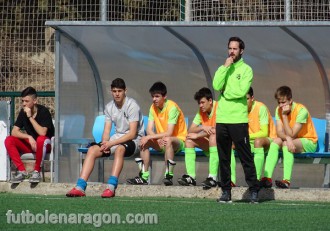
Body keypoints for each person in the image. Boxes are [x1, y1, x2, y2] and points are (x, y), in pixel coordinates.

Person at [66, 78, 145, 198]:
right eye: (114, 91)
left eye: (119, 91)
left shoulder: (132, 106)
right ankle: (80, 186)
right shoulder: (109, 107)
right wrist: (105, 143)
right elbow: (107, 130)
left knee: (120, 149)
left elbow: (132, 133)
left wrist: (111, 143)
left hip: (135, 140)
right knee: (92, 150)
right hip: (117, 139)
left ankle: (111, 187)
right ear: (111, 92)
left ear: (125, 91)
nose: (117, 94)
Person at [213, 36, 259, 203]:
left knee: (245, 157)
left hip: (238, 119)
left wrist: (226, 92)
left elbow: (241, 92)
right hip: (222, 119)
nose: (232, 52)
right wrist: (225, 68)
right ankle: (226, 192)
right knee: (223, 158)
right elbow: (216, 86)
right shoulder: (223, 68)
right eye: (230, 48)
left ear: (241, 51)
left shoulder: (247, 70)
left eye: (235, 49)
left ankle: (254, 189)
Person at [127, 81, 187, 186]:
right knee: (144, 141)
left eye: (157, 96)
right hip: (162, 141)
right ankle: (144, 177)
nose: (154, 99)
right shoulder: (152, 107)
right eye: (153, 96)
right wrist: (154, 138)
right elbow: (149, 128)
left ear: (165, 96)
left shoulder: (172, 108)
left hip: (179, 141)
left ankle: (168, 176)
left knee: (167, 140)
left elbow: (169, 132)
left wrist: (153, 136)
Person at [177, 87, 236, 189]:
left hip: (225, 145)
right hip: (211, 145)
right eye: (199, 103)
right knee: (189, 141)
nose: (200, 106)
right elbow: (190, 130)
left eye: (202, 102)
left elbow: (217, 130)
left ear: (210, 101)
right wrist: (203, 127)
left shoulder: (220, 107)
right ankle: (191, 177)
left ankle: (212, 177)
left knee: (213, 137)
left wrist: (198, 134)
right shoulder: (201, 111)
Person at [260, 86, 318, 189]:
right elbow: (279, 132)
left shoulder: (301, 110)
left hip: (308, 141)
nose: (281, 105)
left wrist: (285, 116)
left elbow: (292, 134)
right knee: (276, 141)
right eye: (279, 103)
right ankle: (267, 178)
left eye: (284, 102)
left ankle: (286, 181)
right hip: (291, 140)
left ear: (290, 100)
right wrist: (288, 138)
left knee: (286, 144)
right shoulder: (278, 110)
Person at [5, 86, 54, 183]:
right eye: (23, 101)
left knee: (41, 139)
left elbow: (42, 133)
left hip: (46, 144)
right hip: (32, 144)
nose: (24, 104)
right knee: (9, 140)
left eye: (27, 101)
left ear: (35, 101)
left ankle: (37, 172)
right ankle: (21, 171)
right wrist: (28, 136)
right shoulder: (23, 112)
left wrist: (30, 117)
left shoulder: (44, 111)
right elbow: (14, 131)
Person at [246, 87, 276, 180]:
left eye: (246, 99)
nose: (244, 102)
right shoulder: (239, 110)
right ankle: (230, 181)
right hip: (250, 141)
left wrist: (247, 136)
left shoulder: (260, 108)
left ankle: (256, 179)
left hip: (268, 140)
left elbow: (264, 132)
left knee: (258, 142)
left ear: (252, 98)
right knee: (230, 144)